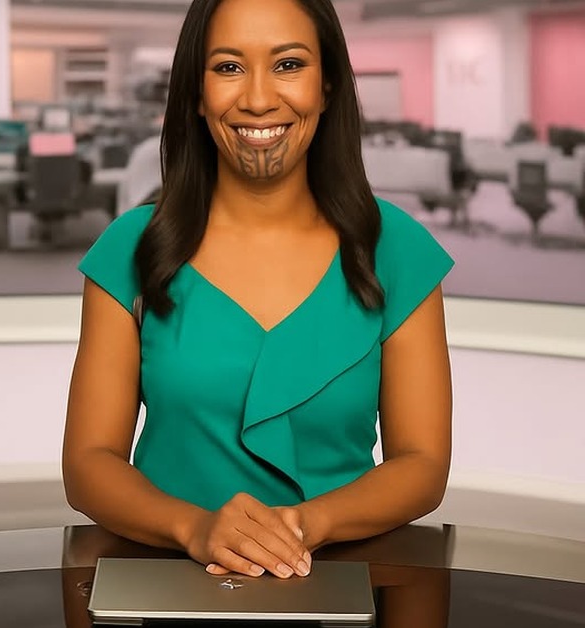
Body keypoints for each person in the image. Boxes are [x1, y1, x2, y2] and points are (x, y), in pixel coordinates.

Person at [63, 0, 453, 582]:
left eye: (289, 65)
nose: (258, 98)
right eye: (227, 68)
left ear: (327, 87)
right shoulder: (131, 249)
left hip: (339, 574)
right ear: (196, 94)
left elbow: (422, 465)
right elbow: (89, 464)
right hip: (163, 576)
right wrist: (195, 529)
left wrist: (301, 526)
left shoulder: (396, 249)